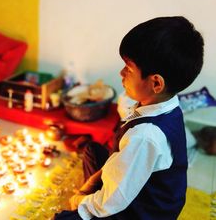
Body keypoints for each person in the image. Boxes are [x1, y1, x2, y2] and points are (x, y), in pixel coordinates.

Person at [55, 16, 204, 220]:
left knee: (63, 217)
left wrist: (80, 201)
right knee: (93, 151)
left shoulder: (145, 136)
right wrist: (92, 186)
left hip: (142, 212)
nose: (121, 73)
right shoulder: (165, 104)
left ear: (156, 83)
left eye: (129, 69)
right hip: (146, 191)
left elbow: (110, 203)